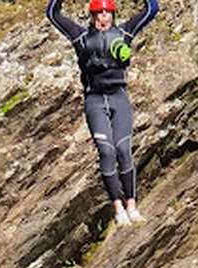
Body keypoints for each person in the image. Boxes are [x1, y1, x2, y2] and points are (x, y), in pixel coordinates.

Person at [46, 0, 159, 226]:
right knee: (107, 153)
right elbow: (52, 13)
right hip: (95, 100)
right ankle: (117, 209)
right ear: (93, 16)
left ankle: (132, 206)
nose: (104, 17)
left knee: (124, 150)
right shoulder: (80, 36)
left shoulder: (124, 32)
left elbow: (152, 9)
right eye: (99, 13)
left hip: (119, 98)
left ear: (113, 16)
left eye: (108, 13)